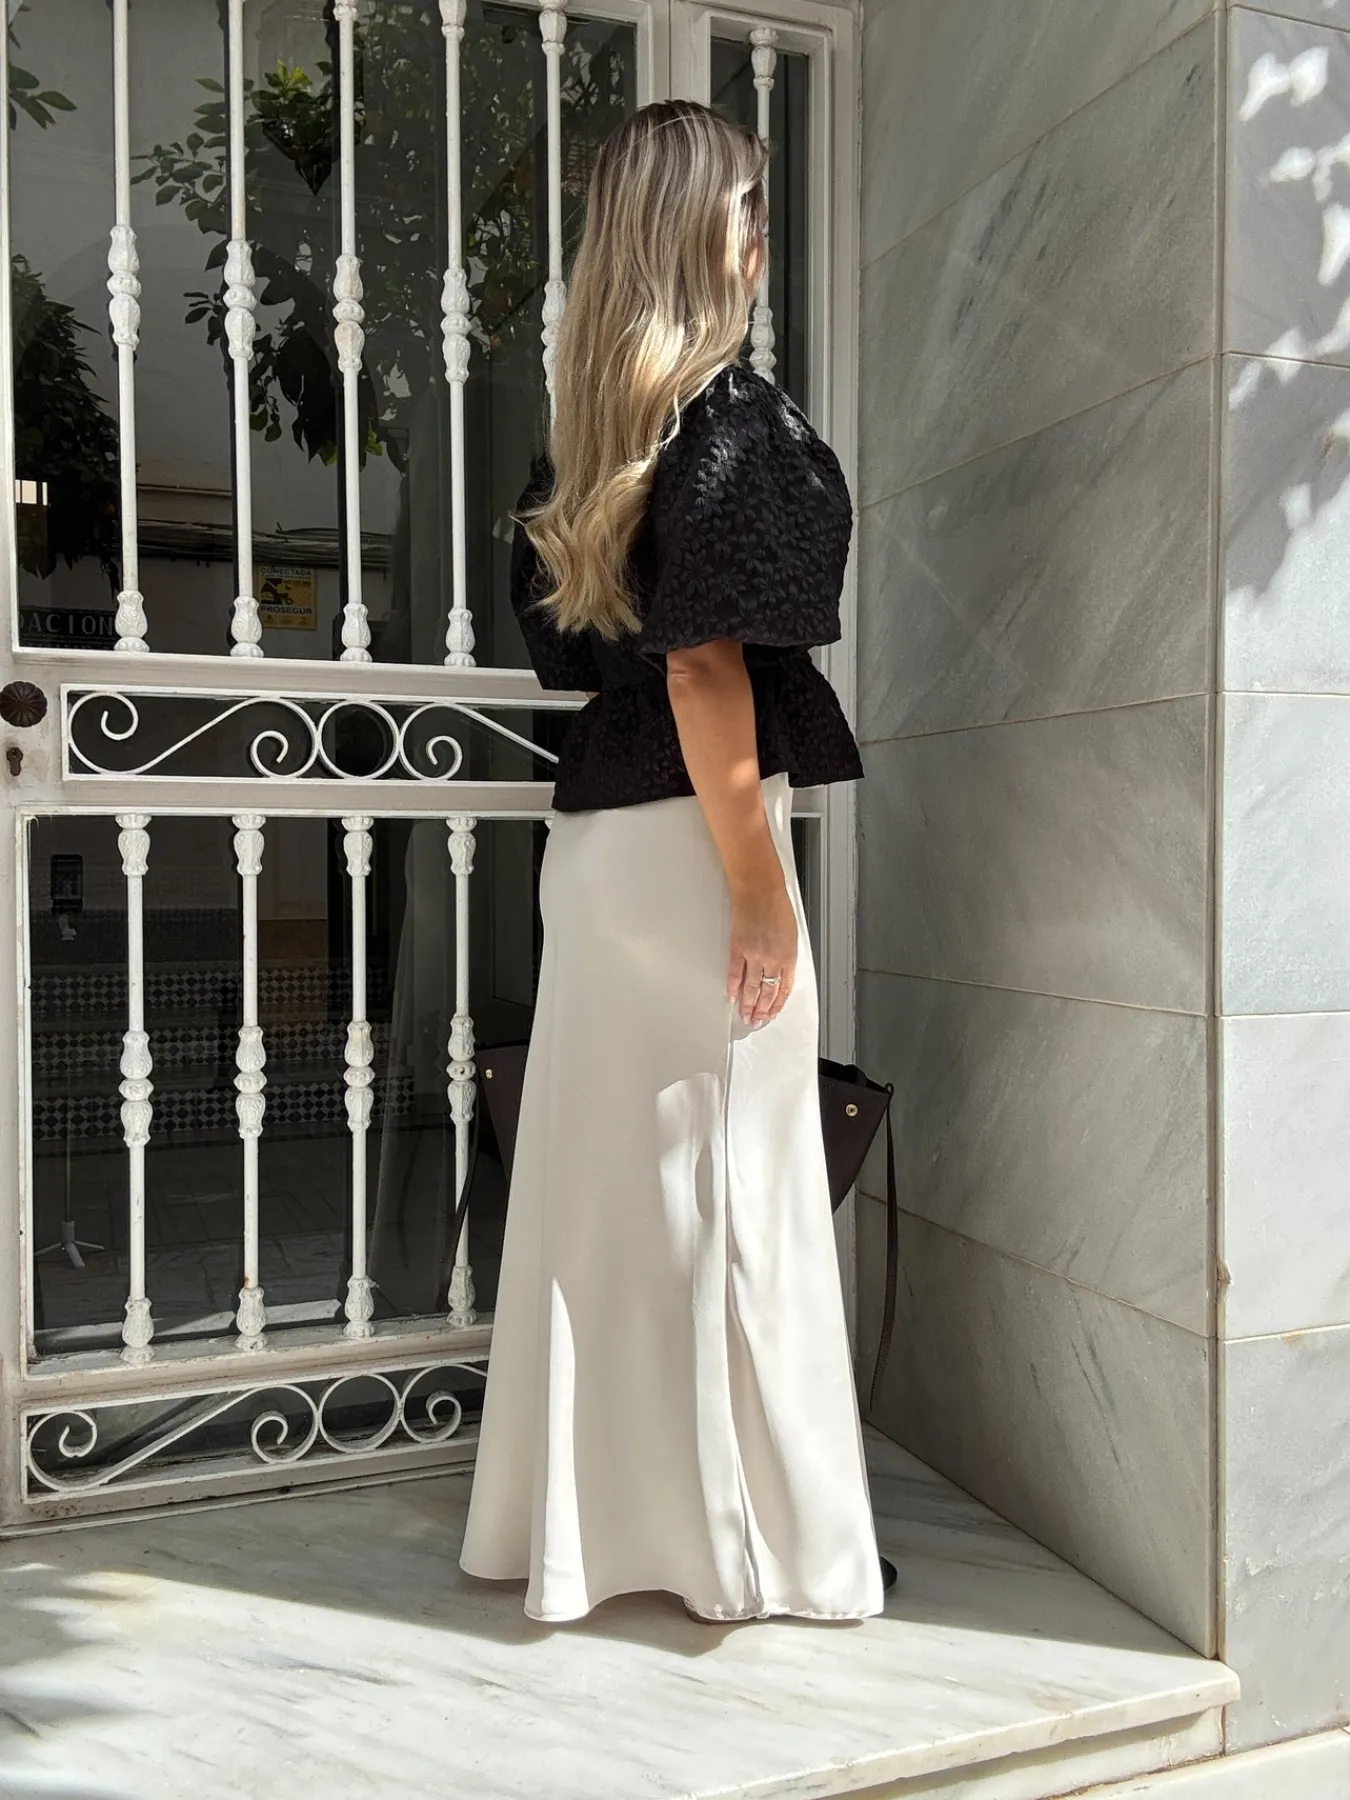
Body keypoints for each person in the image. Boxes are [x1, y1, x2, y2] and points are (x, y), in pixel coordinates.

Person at [458, 99, 882, 1625]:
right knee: (735, 1189)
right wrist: (761, 891)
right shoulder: (729, 424)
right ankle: (752, 1549)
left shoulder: (598, 441)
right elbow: (705, 671)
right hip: (693, 847)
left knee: (611, 1195)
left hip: (603, 850)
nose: (764, 233)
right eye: (748, 206)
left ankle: (578, 1534)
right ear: (707, 235)